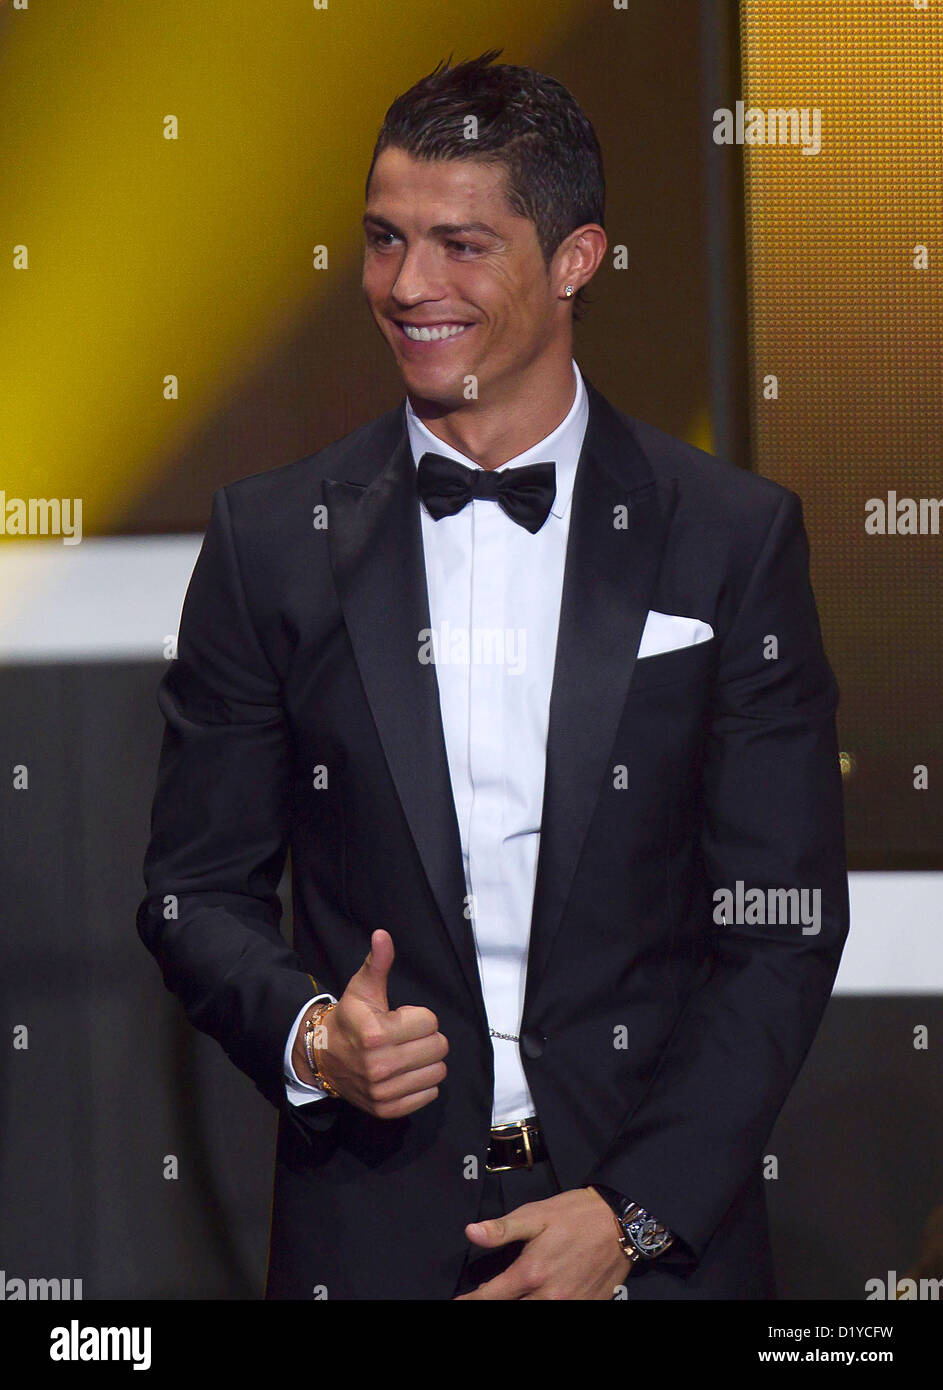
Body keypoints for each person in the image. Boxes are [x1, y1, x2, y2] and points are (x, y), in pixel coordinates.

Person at [137, 51, 849, 1301]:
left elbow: (780, 927)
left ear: (574, 259)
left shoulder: (728, 537)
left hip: (656, 1247)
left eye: (459, 244)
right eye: (383, 240)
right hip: (370, 1238)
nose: (407, 286)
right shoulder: (270, 540)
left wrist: (632, 1216)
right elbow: (195, 892)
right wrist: (314, 1036)